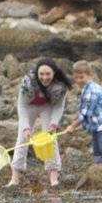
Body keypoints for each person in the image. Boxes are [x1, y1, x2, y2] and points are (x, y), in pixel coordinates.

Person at [9, 56, 71, 187]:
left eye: (48, 74)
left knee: (50, 138)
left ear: (54, 73)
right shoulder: (27, 82)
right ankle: (15, 178)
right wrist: (26, 128)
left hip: (47, 107)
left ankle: (53, 179)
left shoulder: (60, 85)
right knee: (22, 138)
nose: (44, 77)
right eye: (41, 74)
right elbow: (22, 106)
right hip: (29, 106)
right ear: (37, 74)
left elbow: (58, 106)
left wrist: (54, 124)